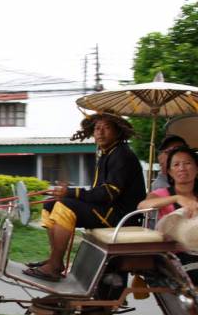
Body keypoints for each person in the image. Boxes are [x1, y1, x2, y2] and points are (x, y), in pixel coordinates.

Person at [23, 113, 146, 281]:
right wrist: (70, 194)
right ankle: (55, 260)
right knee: (50, 204)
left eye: (106, 128)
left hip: (119, 216)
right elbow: (99, 192)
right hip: (107, 210)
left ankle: (54, 265)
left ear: (118, 132)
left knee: (64, 206)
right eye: (97, 128)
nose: (100, 132)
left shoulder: (121, 155)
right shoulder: (107, 153)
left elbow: (108, 193)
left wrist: (72, 193)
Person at [138, 146, 198, 284]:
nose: (182, 168)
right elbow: (142, 206)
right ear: (170, 172)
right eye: (176, 164)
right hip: (174, 257)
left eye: (187, 163)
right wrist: (176, 199)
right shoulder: (160, 195)